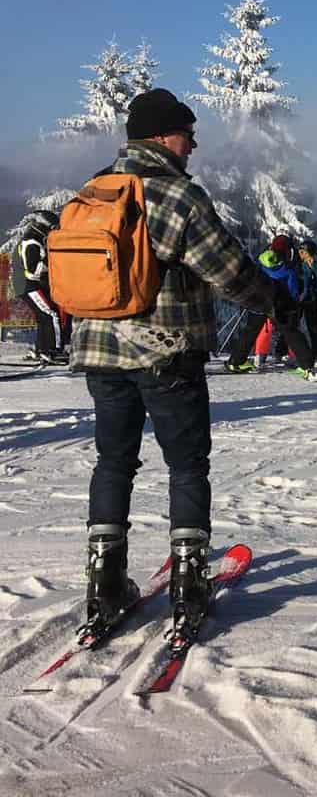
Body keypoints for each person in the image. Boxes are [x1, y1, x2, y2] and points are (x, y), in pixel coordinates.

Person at [66, 88, 275, 642]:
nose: (193, 145)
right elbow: (228, 269)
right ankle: (188, 586)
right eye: (187, 133)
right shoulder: (178, 196)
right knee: (186, 467)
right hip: (166, 353)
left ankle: (105, 586)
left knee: (114, 464)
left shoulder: (94, 190)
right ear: (162, 137)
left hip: (99, 354)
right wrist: (270, 300)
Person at [226, 235, 317, 379]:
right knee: (292, 333)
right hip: (278, 305)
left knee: (250, 331)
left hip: (257, 301)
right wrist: (294, 303)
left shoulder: (260, 261)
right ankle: (306, 366)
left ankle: (235, 362)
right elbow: (293, 290)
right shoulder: (288, 267)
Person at [17, 209, 70, 362]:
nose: (53, 231)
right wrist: (51, 262)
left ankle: (42, 349)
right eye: (52, 227)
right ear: (42, 226)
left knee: (44, 316)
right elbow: (33, 269)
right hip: (30, 285)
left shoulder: (36, 240)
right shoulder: (32, 241)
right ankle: (55, 350)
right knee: (52, 314)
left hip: (31, 285)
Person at [297, 239, 317, 359]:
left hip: (309, 299)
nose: (300, 253)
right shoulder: (299, 264)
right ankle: (284, 351)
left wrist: (310, 288)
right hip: (303, 299)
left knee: (312, 326)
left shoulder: (314, 265)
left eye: (302, 251)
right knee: (296, 325)